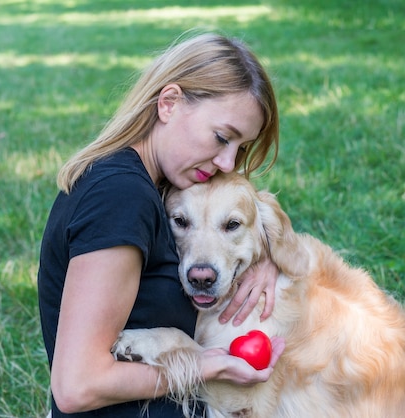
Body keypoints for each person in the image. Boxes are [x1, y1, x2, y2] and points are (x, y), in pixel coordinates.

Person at [37, 32, 285, 417]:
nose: (227, 163)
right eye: (221, 138)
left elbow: (230, 216)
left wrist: (268, 255)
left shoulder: (159, 182)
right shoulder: (121, 196)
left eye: (241, 148)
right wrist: (205, 365)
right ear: (168, 103)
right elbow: (76, 386)